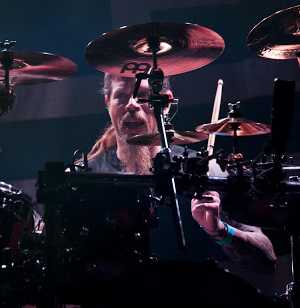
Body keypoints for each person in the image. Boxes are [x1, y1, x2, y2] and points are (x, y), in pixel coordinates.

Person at [83, 72, 277, 274]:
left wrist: (219, 230)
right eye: (121, 96)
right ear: (108, 102)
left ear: (166, 103)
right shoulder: (86, 176)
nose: (132, 104)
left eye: (143, 95)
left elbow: (267, 261)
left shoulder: (205, 171)